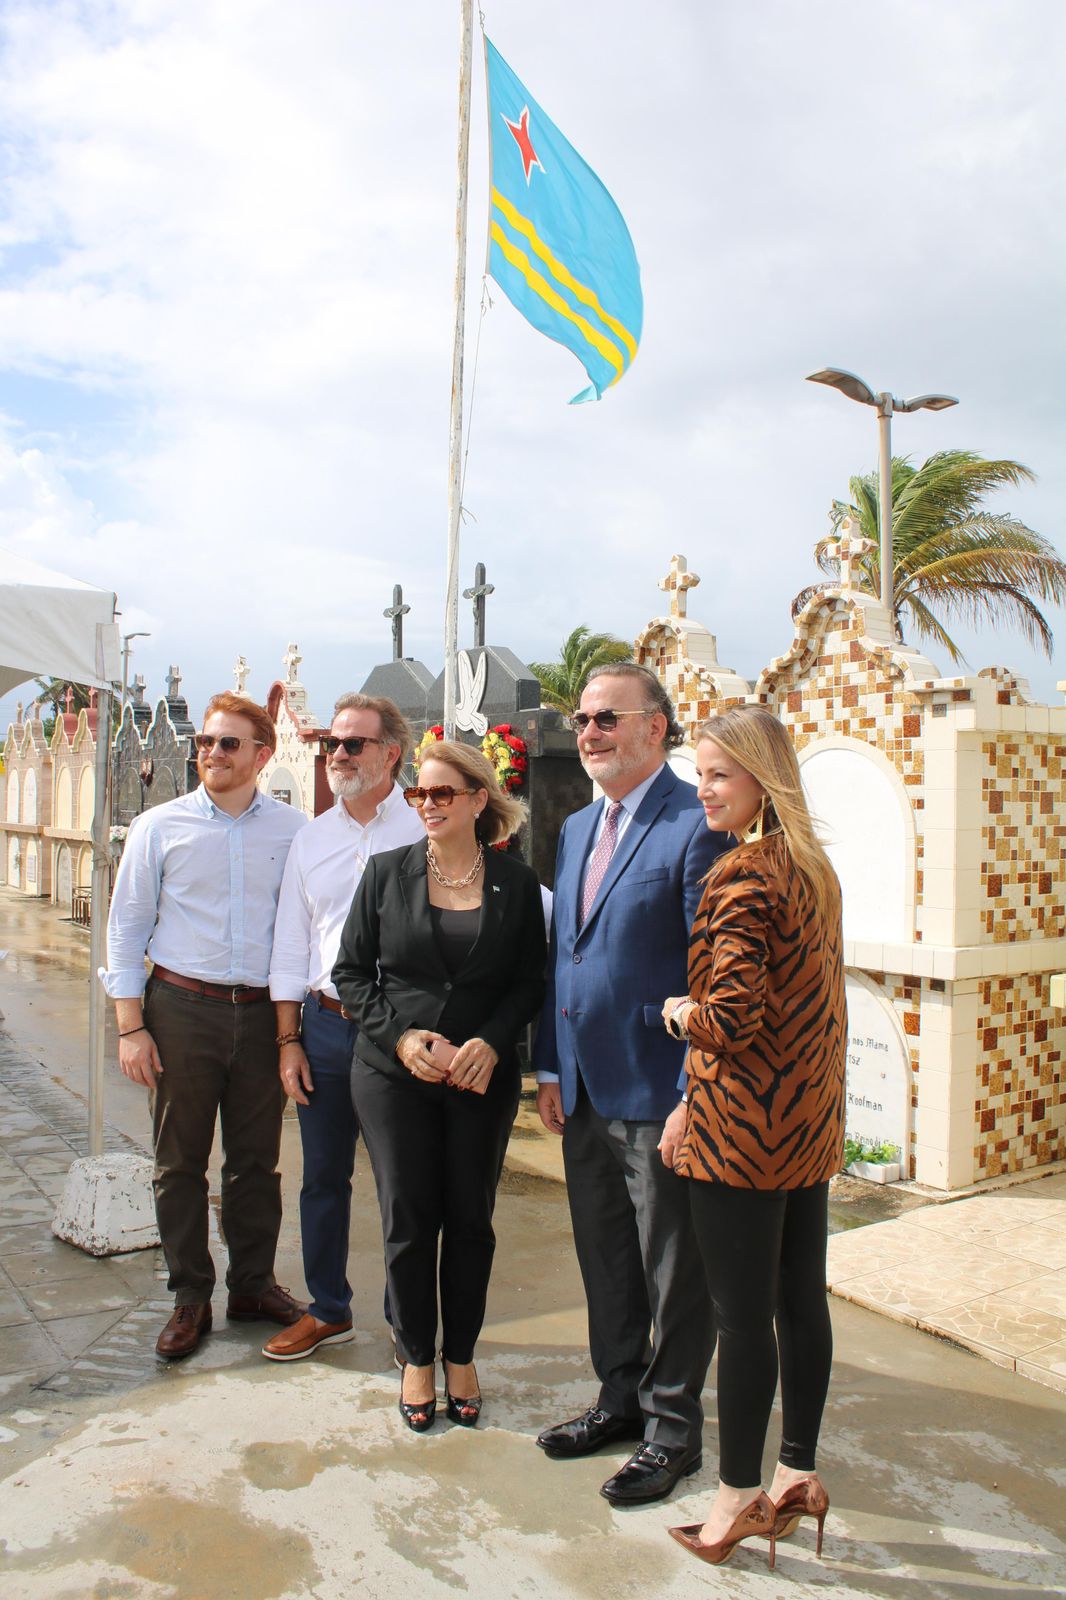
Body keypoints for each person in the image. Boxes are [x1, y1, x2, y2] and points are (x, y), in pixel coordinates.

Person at [533, 663, 727, 1505]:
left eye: (607, 718)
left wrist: (692, 1093)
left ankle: (673, 1432)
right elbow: (564, 956)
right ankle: (619, 1399)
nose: (589, 733)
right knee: (606, 1259)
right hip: (583, 1090)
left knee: (672, 1272)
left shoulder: (695, 825)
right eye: (583, 720)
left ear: (656, 727)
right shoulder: (579, 827)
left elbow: (710, 976)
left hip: (659, 1093)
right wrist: (550, 1064)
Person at [659, 706, 847, 1569]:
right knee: (800, 1300)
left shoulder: (741, 877)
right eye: (699, 774)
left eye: (719, 775)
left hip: (742, 1132)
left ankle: (736, 1499)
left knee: (741, 1320)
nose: (704, 790)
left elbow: (730, 1019)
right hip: (806, 1122)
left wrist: (677, 1012)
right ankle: (797, 1474)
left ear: (762, 780)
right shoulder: (814, 869)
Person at [333, 741, 546, 1431]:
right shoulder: (385, 873)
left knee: (471, 1221)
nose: (426, 804)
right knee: (408, 1218)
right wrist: (400, 1038)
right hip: (393, 1077)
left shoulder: (516, 884)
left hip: (480, 1079)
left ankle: (462, 1357)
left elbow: (529, 983)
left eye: (442, 793)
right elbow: (351, 974)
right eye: (418, 794)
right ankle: (417, 1357)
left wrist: (493, 1040)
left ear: (479, 799)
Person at [102, 692, 308, 1360]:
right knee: (179, 1162)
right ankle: (190, 1295)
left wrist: (292, 1027)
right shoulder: (159, 827)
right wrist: (130, 1026)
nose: (211, 753)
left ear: (262, 754)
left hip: (262, 1013)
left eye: (228, 743)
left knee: (256, 1164)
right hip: (181, 1009)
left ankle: (252, 1286)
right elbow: (126, 927)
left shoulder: (294, 831)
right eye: (205, 742)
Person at [263, 693, 425, 1362]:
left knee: (403, 1185)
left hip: (400, 1033)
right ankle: (328, 1309)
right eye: (333, 743)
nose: (338, 755)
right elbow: (291, 944)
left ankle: (409, 1324)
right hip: (326, 1028)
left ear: (391, 753)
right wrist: (289, 1041)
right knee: (322, 1179)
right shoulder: (313, 837)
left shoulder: (424, 826)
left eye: (354, 744)